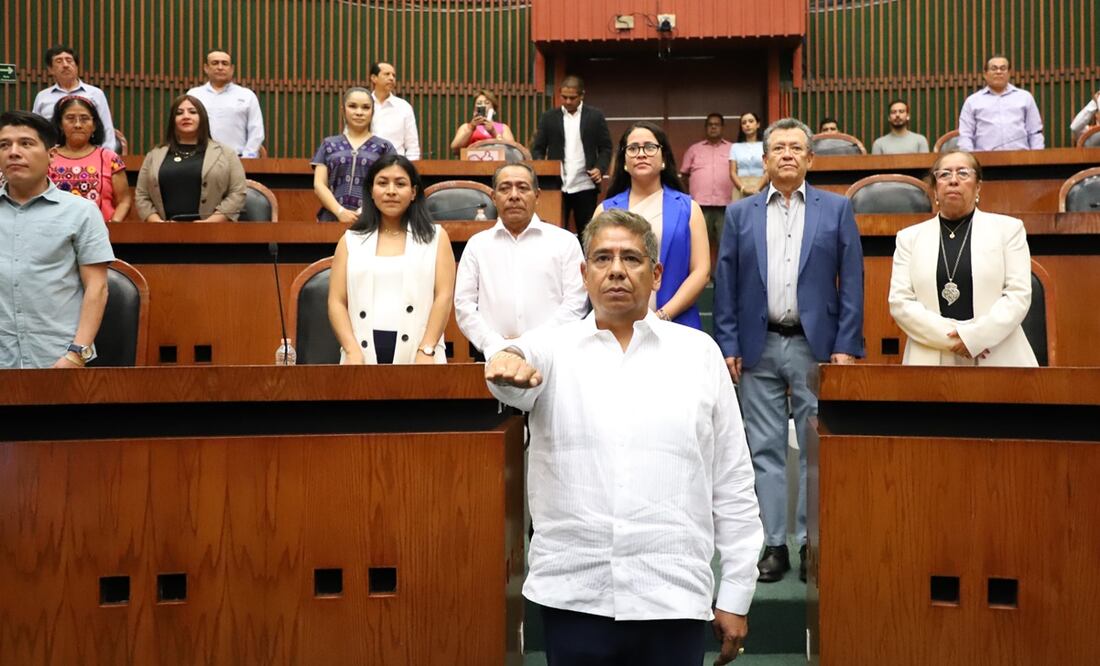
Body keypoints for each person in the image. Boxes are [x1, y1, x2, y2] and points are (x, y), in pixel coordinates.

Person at [484, 208, 764, 666]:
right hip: (575, 593)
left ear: (655, 275)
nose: (616, 270)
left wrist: (736, 591)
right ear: (584, 273)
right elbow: (510, 371)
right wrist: (508, 359)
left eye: (631, 258)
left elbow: (732, 480)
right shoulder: (551, 350)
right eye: (602, 258)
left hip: (672, 594)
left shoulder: (699, 354)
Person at [713, 117, 864, 584]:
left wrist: (846, 345)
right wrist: (729, 343)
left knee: (815, 450)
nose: (786, 155)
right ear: (765, 158)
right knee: (765, 449)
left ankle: (809, 543)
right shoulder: (741, 214)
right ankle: (774, 544)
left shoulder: (836, 210)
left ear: (810, 158)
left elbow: (853, 283)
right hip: (758, 347)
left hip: (813, 347)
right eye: (777, 148)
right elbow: (727, 285)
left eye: (796, 148)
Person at [889, 151, 1037, 367]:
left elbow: (1018, 295)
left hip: (998, 354)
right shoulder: (908, 238)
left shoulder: (1008, 230)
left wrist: (976, 338)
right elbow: (900, 303)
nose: (953, 180)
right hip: (930, 356)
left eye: (963, 173)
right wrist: (957, 339)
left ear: (978, 187)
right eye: (944, 174)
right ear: (934, 189)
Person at [0, 111, 115, 369]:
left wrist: (76, 354)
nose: (13, 152)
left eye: (26, 144)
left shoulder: (81, 212)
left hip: (58, 361)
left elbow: (97, 288)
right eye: (4, 145)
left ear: (51, 155)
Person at [328, 154, 455, 364]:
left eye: (400, 183)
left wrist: (427, 348)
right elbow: (336, 301)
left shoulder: (436, 237)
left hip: (420, 352)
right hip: (360, 352)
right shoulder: (350, 240)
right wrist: (351, 350)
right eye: (382, 183)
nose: (391, 191)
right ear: (371, 190)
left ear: (413, 192)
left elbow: (444, 296)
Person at [455, 163, 587, 357]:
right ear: (493, 197)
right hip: (492, 355)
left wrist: (527, 345)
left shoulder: (564, 242)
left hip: (553, 355)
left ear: (537, 195)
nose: (514, 195)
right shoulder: (477, 245)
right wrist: (495, 345)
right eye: (505, 188)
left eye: (523, 188)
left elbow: (576, 303)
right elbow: (464, 305)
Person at [595, 121, 709, 329]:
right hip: (617, 326)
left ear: (663, 158)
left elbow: (701, 271)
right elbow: (596, 270)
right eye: (632, 148)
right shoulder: (605, 210)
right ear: (624, 162)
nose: (641, 154)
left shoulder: (689, 208)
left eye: (649, 147)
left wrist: (662, 316)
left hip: (677, 325)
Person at [134, 94, 246, 222]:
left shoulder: (226, 154)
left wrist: (209, 223)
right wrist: (158, 223)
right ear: (173, 120)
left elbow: (237, 192)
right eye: (179, 113)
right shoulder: (154, 155)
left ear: (202, 118)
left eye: (192, 112)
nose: (186, 116)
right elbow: (142, 195)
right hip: (163, 233)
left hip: (213, 234)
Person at [531, 75, 612, 237]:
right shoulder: (549, 118)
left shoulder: (595, 116)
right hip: (556, 185)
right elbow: (537, 148)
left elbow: (606, 148)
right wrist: (543, 169)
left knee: (587, 233)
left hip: (586, 184)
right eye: (564, 97)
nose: (567, 101)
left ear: (582, 95)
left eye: (572, 98)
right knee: (555, 231)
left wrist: (599, 168)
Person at [311, 87, 396, 223]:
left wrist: (365, 212)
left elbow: (389, 185)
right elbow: (319, 184)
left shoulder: (385, 147)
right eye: (352, 106)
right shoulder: (328, 144)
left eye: (366, 108)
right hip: (332, 219)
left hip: (372, 220)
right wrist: (340, 212)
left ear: (372, 112)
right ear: (343, 110)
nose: (359, 112)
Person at [48, 95, 131, 223]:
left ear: (94, 126)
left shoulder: (109, 158)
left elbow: (124, 201)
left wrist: (113, 225)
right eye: (70, 118)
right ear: (60, 124)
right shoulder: (48, 156)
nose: (77, 125)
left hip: (100, 234)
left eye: (84, 119)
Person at [32, 45, 116, 152]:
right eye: (59, 61)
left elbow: (106, 128)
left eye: (69, 60)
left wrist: (106, 158)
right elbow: (35, 131)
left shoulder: (95, 94)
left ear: (76, 66)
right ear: (50, 69)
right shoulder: (42, 97)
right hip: (53, 156)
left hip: (89, 154)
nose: (65, 65)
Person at [186, 50, 265, 158]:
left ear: (232, 69)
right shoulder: (194, 95)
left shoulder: (247, 95)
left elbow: (256, 131)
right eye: (215, 63)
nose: (220, 67)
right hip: (200, 159)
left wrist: (247, 158)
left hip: (238, 159)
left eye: (224, 63)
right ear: (206, 68)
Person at [680, 113, 733, 269]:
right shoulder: (694, 149)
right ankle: (701, 276)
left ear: (722, 127)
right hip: (700, 206)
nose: (713, 127)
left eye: (717, 124)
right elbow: (684, 175)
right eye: (710, 124)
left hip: (726, 205)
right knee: (699, 244)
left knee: (726, 244)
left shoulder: (732, 148)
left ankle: (721, 277)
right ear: (706, 128)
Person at [957, 55, 1044, 151]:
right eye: (994, 69)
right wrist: (970, 160)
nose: (999, 72)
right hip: (984, 160)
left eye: (1003, 68)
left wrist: (1036, 157)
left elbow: (1035, 132)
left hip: (1021, 159)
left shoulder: (1025, 97)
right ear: (985, 74)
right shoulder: (972, 101)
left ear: (1009, 73)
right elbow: (965, 135)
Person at [369, 61, 421, 160]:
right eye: (387, 74)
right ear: (374, 78)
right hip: (366, 164)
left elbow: (412, 146)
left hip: (396, 165)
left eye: (393, 75)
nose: (391, 78)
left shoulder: (404, 107)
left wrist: (409, 169)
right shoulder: (363, 104)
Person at [449, 89, 516, 154]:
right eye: (479, 103)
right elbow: (455, 149)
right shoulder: (466, 127)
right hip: (471, 162)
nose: (483, 105)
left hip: (497, 163)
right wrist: (471, 128)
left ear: (493, 109)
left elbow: (512, 149)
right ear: (474, 109)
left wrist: (493, 132)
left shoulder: (503, 127)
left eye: (487, 103)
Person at [729, 111, 767, 201]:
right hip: (740, 187)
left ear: (758, 124)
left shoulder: (765, 145)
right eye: (744, 122)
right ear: (741, 127)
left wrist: (758, 188)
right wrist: (743, 188)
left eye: (751, 121)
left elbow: (768, 171)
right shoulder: (735, 147)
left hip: (761, 186)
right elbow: (732, 172)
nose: (747, 125)